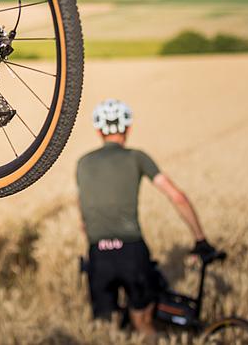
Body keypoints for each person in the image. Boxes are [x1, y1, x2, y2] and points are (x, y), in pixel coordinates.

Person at [76, 98, 218, 334]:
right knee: (143, 322)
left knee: (105, 332)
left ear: (98, 130)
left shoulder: (83, 163)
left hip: (98, 256)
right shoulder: (137, 157)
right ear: (128, 128)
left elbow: (83, 219)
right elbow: (177, 197)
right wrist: (200, 239)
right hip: (132, 253)